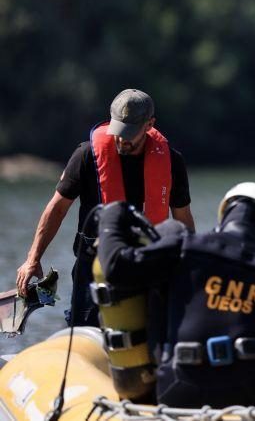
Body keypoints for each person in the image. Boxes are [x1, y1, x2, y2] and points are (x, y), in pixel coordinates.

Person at [96, 182, 255, 407]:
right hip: (251, 397)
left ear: (224, 213)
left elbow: (117, 267)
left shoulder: (185, 246)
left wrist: (111, 219)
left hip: (179, 390)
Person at [16, 88, 194, 327]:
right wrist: (32, 259)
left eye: (129, 133)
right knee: (84, 330)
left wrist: (191, 266)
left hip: (149, 260)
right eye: (118, 131)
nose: (121, 139)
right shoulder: (87, 155)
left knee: (153, 330)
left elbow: (182, 219)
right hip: (93, 264)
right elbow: (57, 209)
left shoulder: (171, 161)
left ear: (150, 124)